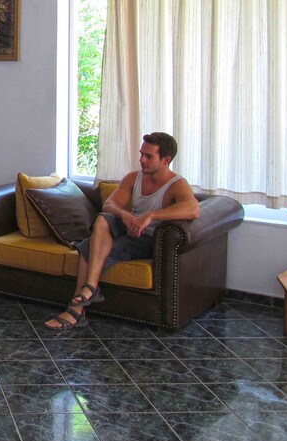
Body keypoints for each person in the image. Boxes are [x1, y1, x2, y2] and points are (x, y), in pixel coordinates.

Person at [45, 131, 200, 331]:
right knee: (103, 219)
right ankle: (90, 289)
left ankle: (76, 310)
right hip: (127, 227)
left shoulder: (176, 184)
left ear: (166, 160)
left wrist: (151, 215)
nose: (142, 160)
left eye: (148, 156)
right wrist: (125, 215)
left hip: (146, 238)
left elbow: (193, 209)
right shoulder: (134, 177)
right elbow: (109, 205)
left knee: (87, 247)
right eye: (141, 154)